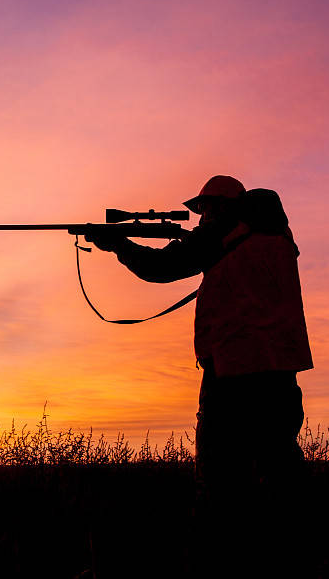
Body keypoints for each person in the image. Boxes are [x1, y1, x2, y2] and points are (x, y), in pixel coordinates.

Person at [86, 175, 313, 510]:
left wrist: (118, 244)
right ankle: (294, 547)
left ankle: (220, 550)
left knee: (221, 474)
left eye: (205, 209)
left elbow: (160, 268)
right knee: (279, 467)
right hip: (280, 369)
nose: (201, 218)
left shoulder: (223, 232)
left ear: (222, 206)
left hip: (233, 369)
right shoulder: (277, 235)